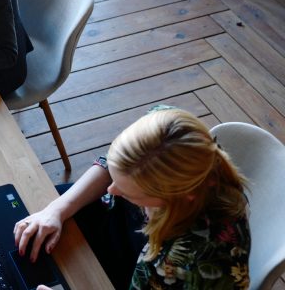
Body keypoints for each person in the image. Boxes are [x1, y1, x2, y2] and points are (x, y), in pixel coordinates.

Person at [14, 108, 250, 290]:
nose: (112, 189)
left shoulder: (196, 264)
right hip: (113, 226)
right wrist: (57, 209)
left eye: (129, 192)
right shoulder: (164, 126)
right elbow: (113, 166)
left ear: (172, 198)